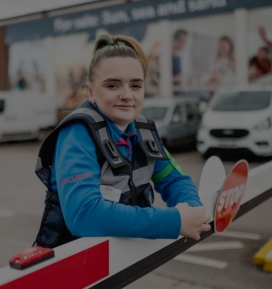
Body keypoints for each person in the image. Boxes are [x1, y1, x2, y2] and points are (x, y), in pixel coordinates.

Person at [34, 33, 211, 248]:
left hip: (116, 266)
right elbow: (84, 214)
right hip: (68, 269)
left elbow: (175, 180)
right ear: (91, 92)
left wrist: (192, 211)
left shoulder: (145, 132)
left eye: (136, 86)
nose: (127, 95)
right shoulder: (77, 134)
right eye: (113, 85)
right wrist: (174, 221)